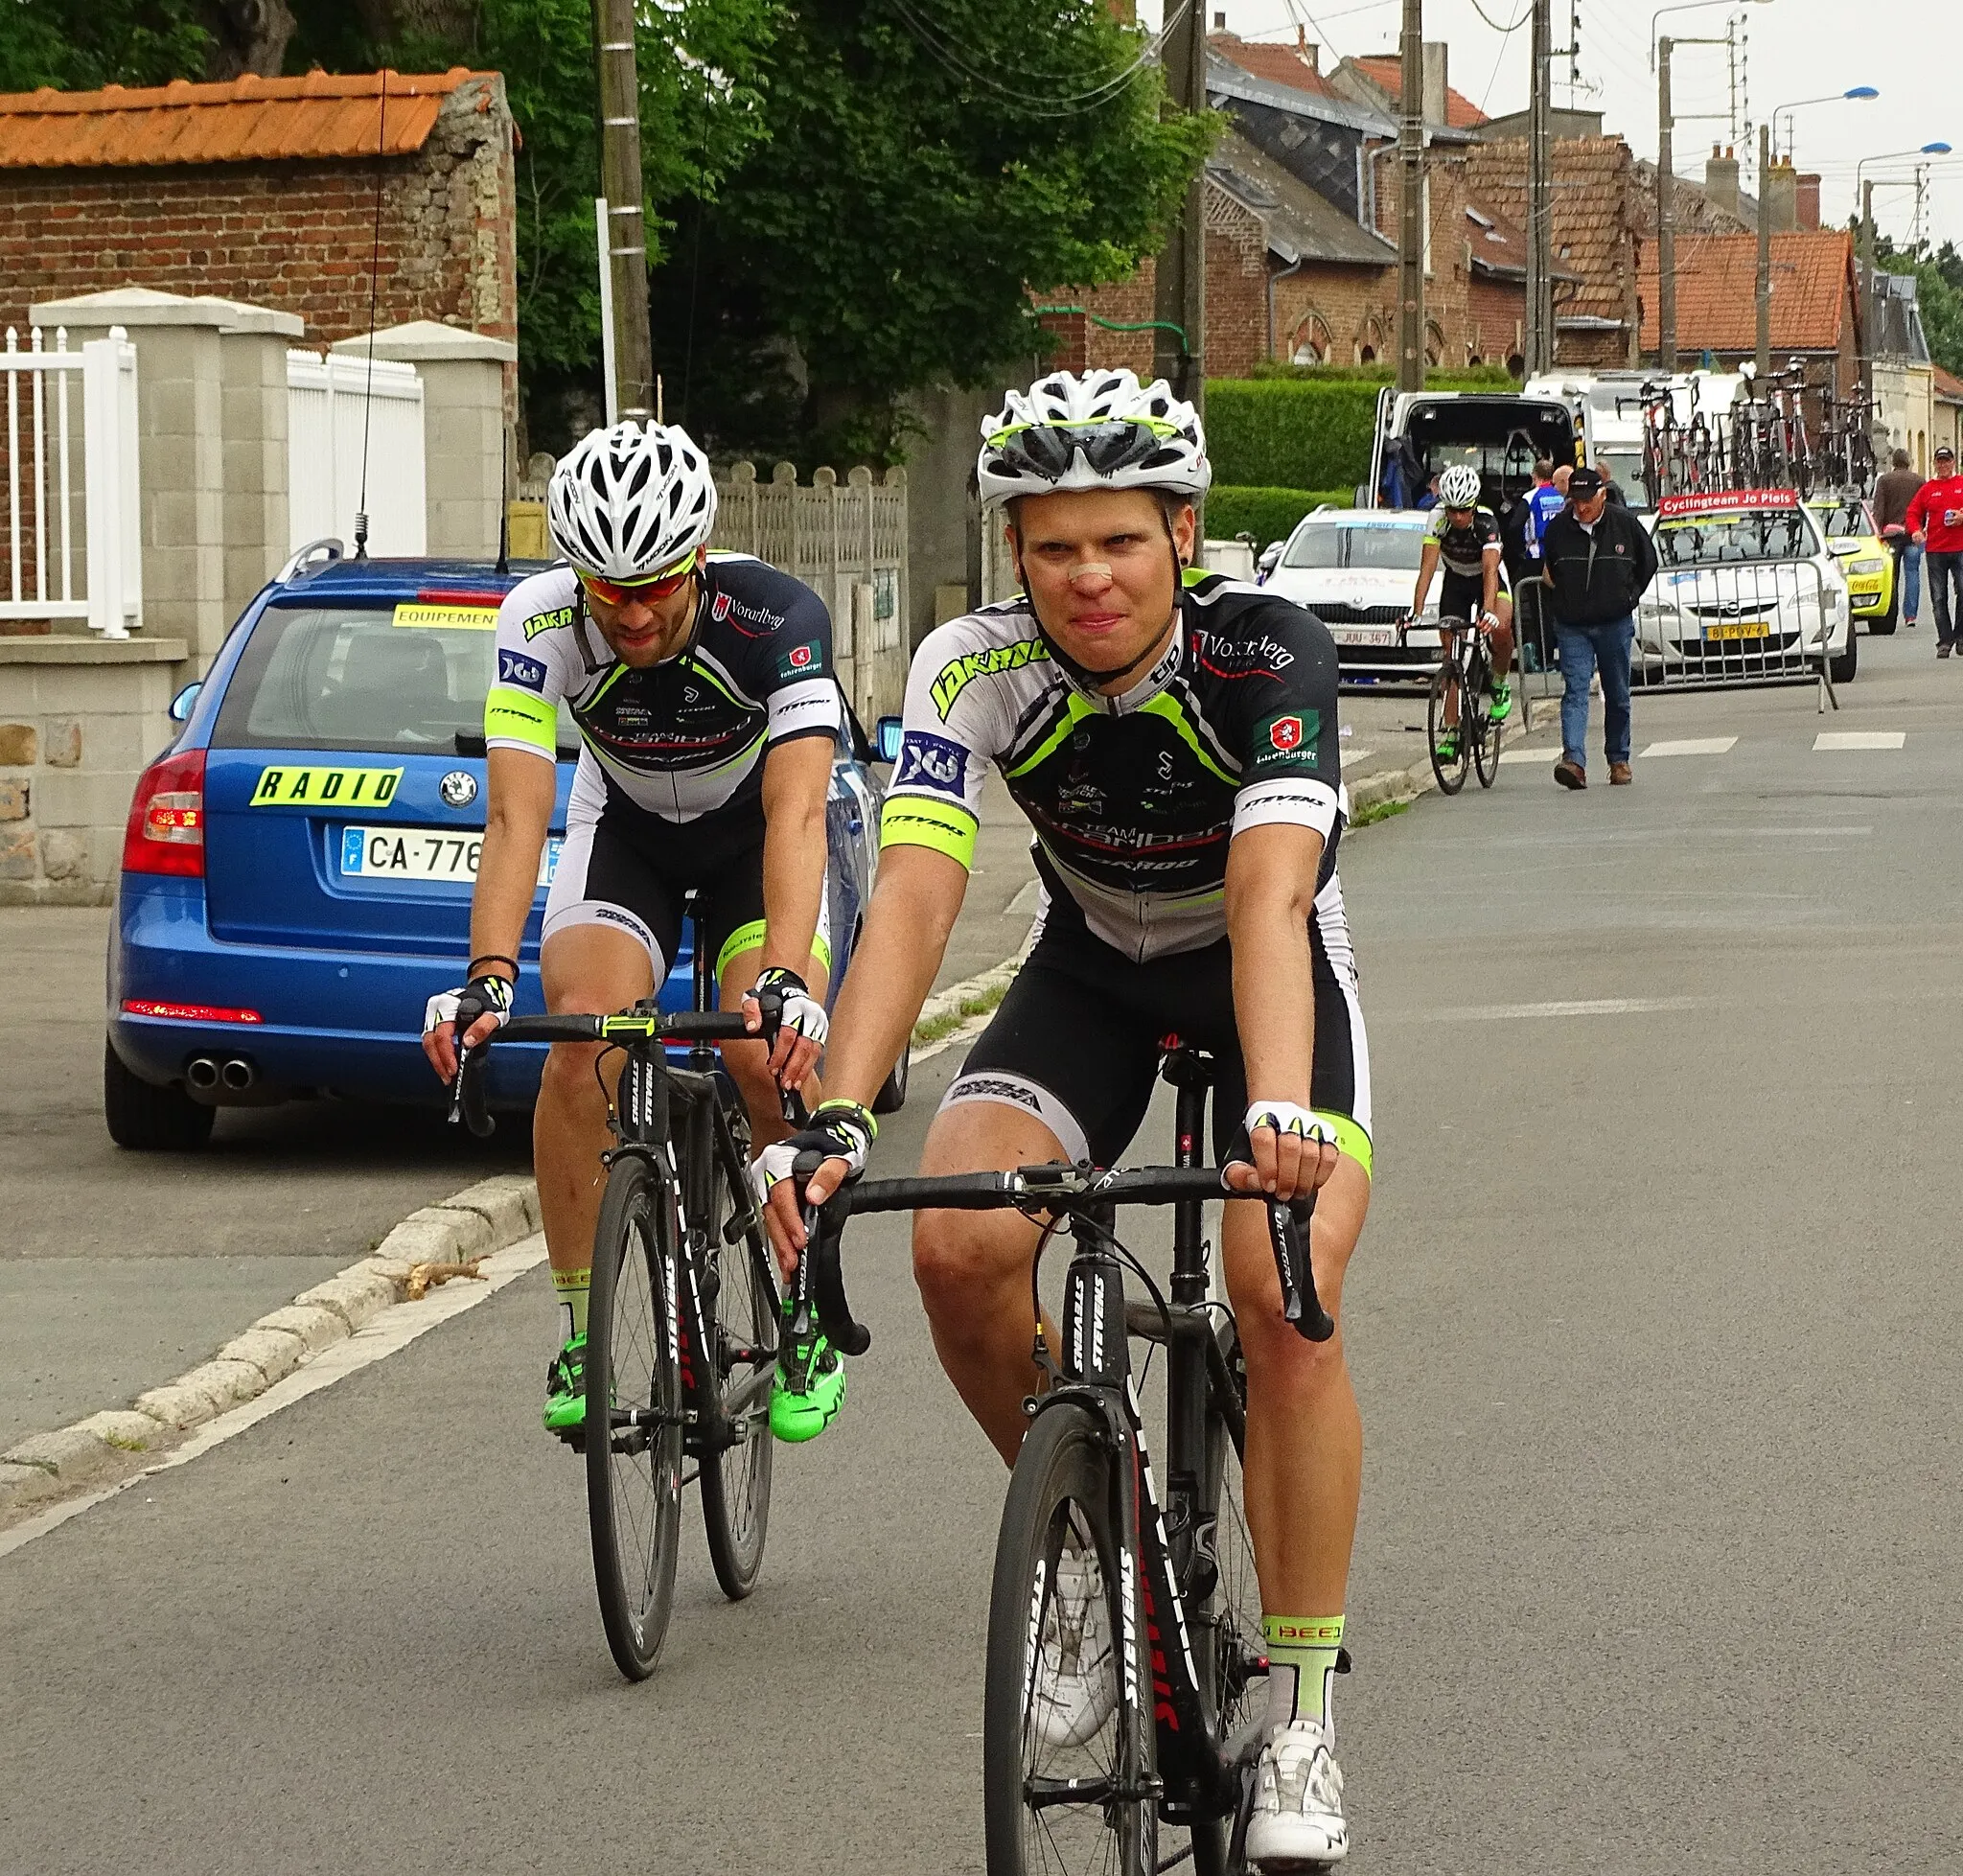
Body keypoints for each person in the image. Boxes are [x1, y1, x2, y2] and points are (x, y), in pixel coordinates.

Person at [759, 368, 1374, 1865]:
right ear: (1014, 552)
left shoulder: (1265, 651)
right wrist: (838, 1116)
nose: (1088, 577)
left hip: (1267, 981)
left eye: (1118, 542)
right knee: (960, 1245)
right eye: (1052, 547)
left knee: (1275, 1293)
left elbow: (1269, 892)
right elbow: (914, 888)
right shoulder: (970, 670)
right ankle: (1091, 1549)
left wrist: (1280, 1111)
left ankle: (1300, 1714)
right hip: (1091, 970)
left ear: (1181, 532)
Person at [421, 421, 842, 1441]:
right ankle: (580, 1326)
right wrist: (484, 975)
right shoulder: (536, 621)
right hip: (629, 836)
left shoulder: (775, 614)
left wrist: (784, 974)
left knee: (763, 1055)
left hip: (753, 838)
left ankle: (803, 1302)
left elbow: (795, 814)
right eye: (609, 592)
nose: (636, 611)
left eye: (657, 583)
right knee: (577, 1046)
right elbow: (518, 812)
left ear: (697, 556)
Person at [1539, 465, 1657, 788]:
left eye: (1587, 500)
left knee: (1617, 693)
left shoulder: (1625, 524)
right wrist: (1562, 604)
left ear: (1602, 494)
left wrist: (1628, 598)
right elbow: (1550, 570)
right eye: (1576, 500)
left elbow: (1649, 562)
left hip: (1614, 623)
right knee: (1575, 691)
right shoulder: (1558, 529)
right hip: (1573, 625)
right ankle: (1573, 760)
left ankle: (1619, 759)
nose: (1581, 507)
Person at [1407, 462, 1515, 755]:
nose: (1457, 516)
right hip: (1456, 582)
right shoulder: (1437, 520)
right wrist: (1414, 612)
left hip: (1486, 580)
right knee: (1451, 656)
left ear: (1474, 505)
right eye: (1451, 509)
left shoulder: (1486, 523)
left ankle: (1499, 681)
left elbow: (1491, 572)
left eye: (1463, 510)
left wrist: (1490, 611)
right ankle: (1452, 732)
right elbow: (1427, 568)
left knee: (1502, 627)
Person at [1874, 446, 1926, 632]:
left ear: (1893, 462)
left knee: (1891, 576)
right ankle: (1910, 615)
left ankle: (1890, 613)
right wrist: (1921, 527)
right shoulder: (1919, 481)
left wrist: (1877, 531)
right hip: (1913, 534)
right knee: (1912, 573)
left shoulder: (1884, 481)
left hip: (1890, 535)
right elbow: (1924, 508)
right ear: (1908, 462)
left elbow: (1878, 508)